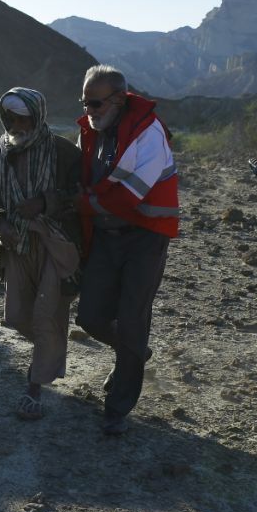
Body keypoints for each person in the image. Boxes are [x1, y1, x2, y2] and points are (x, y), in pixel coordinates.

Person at [74, 65, 179, 436]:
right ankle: (133, 353)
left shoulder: (149, 133)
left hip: (145, 237)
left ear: (119, 99)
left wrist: (74, 203)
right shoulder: (91, 131)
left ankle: (117, 409)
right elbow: (82, 177)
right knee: (89, 317)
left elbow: (127, 197)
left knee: (133, 318)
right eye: (84, 103)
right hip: (106, 235)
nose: (90, 110)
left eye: (96, 102)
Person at [0, 88, 82, 420]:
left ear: (37, 117)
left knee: (47, 315)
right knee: (18, 316)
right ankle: (48, 352)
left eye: (22, 117)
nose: (15, 124)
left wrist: (44, 204)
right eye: (10, 117)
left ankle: (34, 386)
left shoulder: (64, 153)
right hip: (15, 246)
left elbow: (78, 196)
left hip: (54, 243)